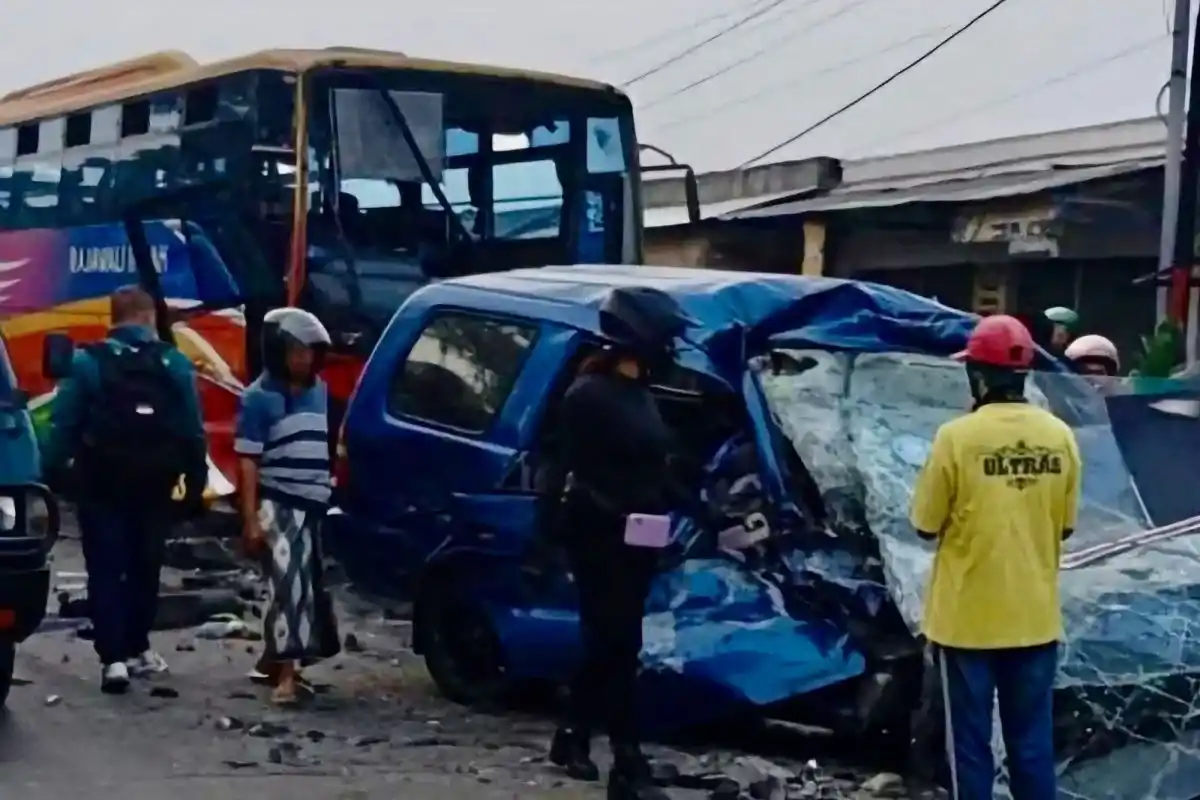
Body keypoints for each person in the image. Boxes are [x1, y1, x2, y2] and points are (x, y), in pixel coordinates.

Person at [910, 315, 1082, 800]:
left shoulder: (956, 437)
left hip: (967, 623)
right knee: (1031, 744)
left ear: (977, 376)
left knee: (969, 746)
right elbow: (1064, 526)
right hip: (1034, 620)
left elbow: (924, 524)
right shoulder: (1060, 436)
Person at [548, 287, 703, 800]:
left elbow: (655, 468)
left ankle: (573, 735)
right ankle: (626, 760)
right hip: (599, 534)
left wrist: (705, 512)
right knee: (616, 642)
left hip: (639, 535)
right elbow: (565, 471)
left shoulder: (643, 394)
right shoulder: (587, 395)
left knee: (613, 643)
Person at [45, 285, 207, 694]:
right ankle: (138, 648)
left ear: (112, 318)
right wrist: (195, 479)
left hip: (101, 481)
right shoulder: (172, 362)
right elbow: (191, 428)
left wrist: (48, 474)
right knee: (145, 564)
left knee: (104, 567)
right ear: (150, 317)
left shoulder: (88, 362)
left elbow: (63, 423)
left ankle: (112, 660)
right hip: (154, 481)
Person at [234, 307, 339, 706]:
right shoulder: (259, 399)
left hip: (315, 502)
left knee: (303, 584)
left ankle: (273, 660)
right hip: (279, 503)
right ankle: (288, 677)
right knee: (291, 583)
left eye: (310, 351)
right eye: (296, 351)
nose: (304, 359)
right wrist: (251, 520)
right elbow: (248, 461)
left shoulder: (321, 392)